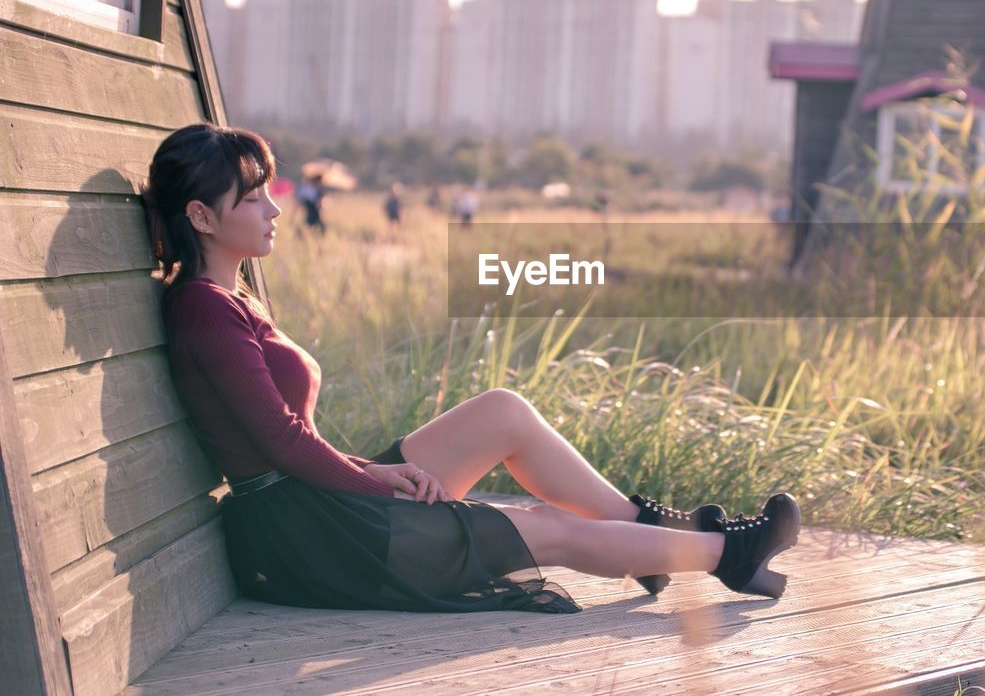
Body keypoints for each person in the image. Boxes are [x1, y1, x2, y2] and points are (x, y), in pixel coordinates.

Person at [139, 122, 801, 615]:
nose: (275, 208)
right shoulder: (203, 310)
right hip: (310, 535)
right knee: (549, 528)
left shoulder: (231, 299)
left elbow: (288, 436)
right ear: (200, 215)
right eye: (253, 198)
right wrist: (383, 488)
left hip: (319, 504)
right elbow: (282, 445)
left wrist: (377, 470)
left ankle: (653, 533)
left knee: (503, 410)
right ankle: (729, 555)